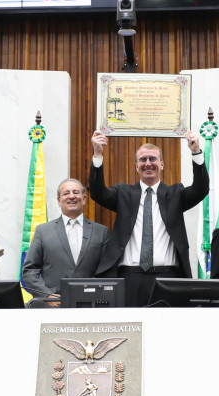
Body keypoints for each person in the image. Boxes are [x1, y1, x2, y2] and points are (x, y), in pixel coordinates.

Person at [89, 130, 209, 307]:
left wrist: (196, 152)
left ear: (161, 165)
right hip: (129, 277)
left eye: (152, 159)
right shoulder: (124, 194)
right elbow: (98, 193)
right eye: (143, 160)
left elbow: (201, 189)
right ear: (136, 166)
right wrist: (98, 154)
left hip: (167, 277)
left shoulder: (175, 194)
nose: (148, 163)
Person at [22, 178, 109, 306]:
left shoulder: (101, 231)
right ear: (58, 201)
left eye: (76, 192)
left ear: (84, 199)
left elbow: (107, 272)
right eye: (66, 193)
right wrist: (47, 296)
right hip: (53, 305)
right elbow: (29, 270)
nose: (72, 196)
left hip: (90, 305)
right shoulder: (43, 231)